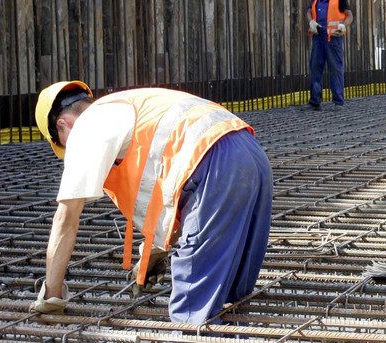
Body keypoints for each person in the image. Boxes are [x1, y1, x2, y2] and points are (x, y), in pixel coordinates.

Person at [29, 81, 273, 324]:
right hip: (251, 154)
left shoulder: (85, 127)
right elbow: (173, 186)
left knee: (193, 311)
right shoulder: (132, 106)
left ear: (63, 125)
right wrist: (155, 249)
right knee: (229, 298)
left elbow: (66, 219)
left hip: (214, 165)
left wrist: (52, 296)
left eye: (62, 144)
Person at [305, 0, 354, 111]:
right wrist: (311, 22)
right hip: (318, 38)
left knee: (335, 69)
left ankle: (338, 102)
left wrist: (343, 25)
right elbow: (308, 11)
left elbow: (349, 15)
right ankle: (315, 101)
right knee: (315, 68)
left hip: (333, 38)